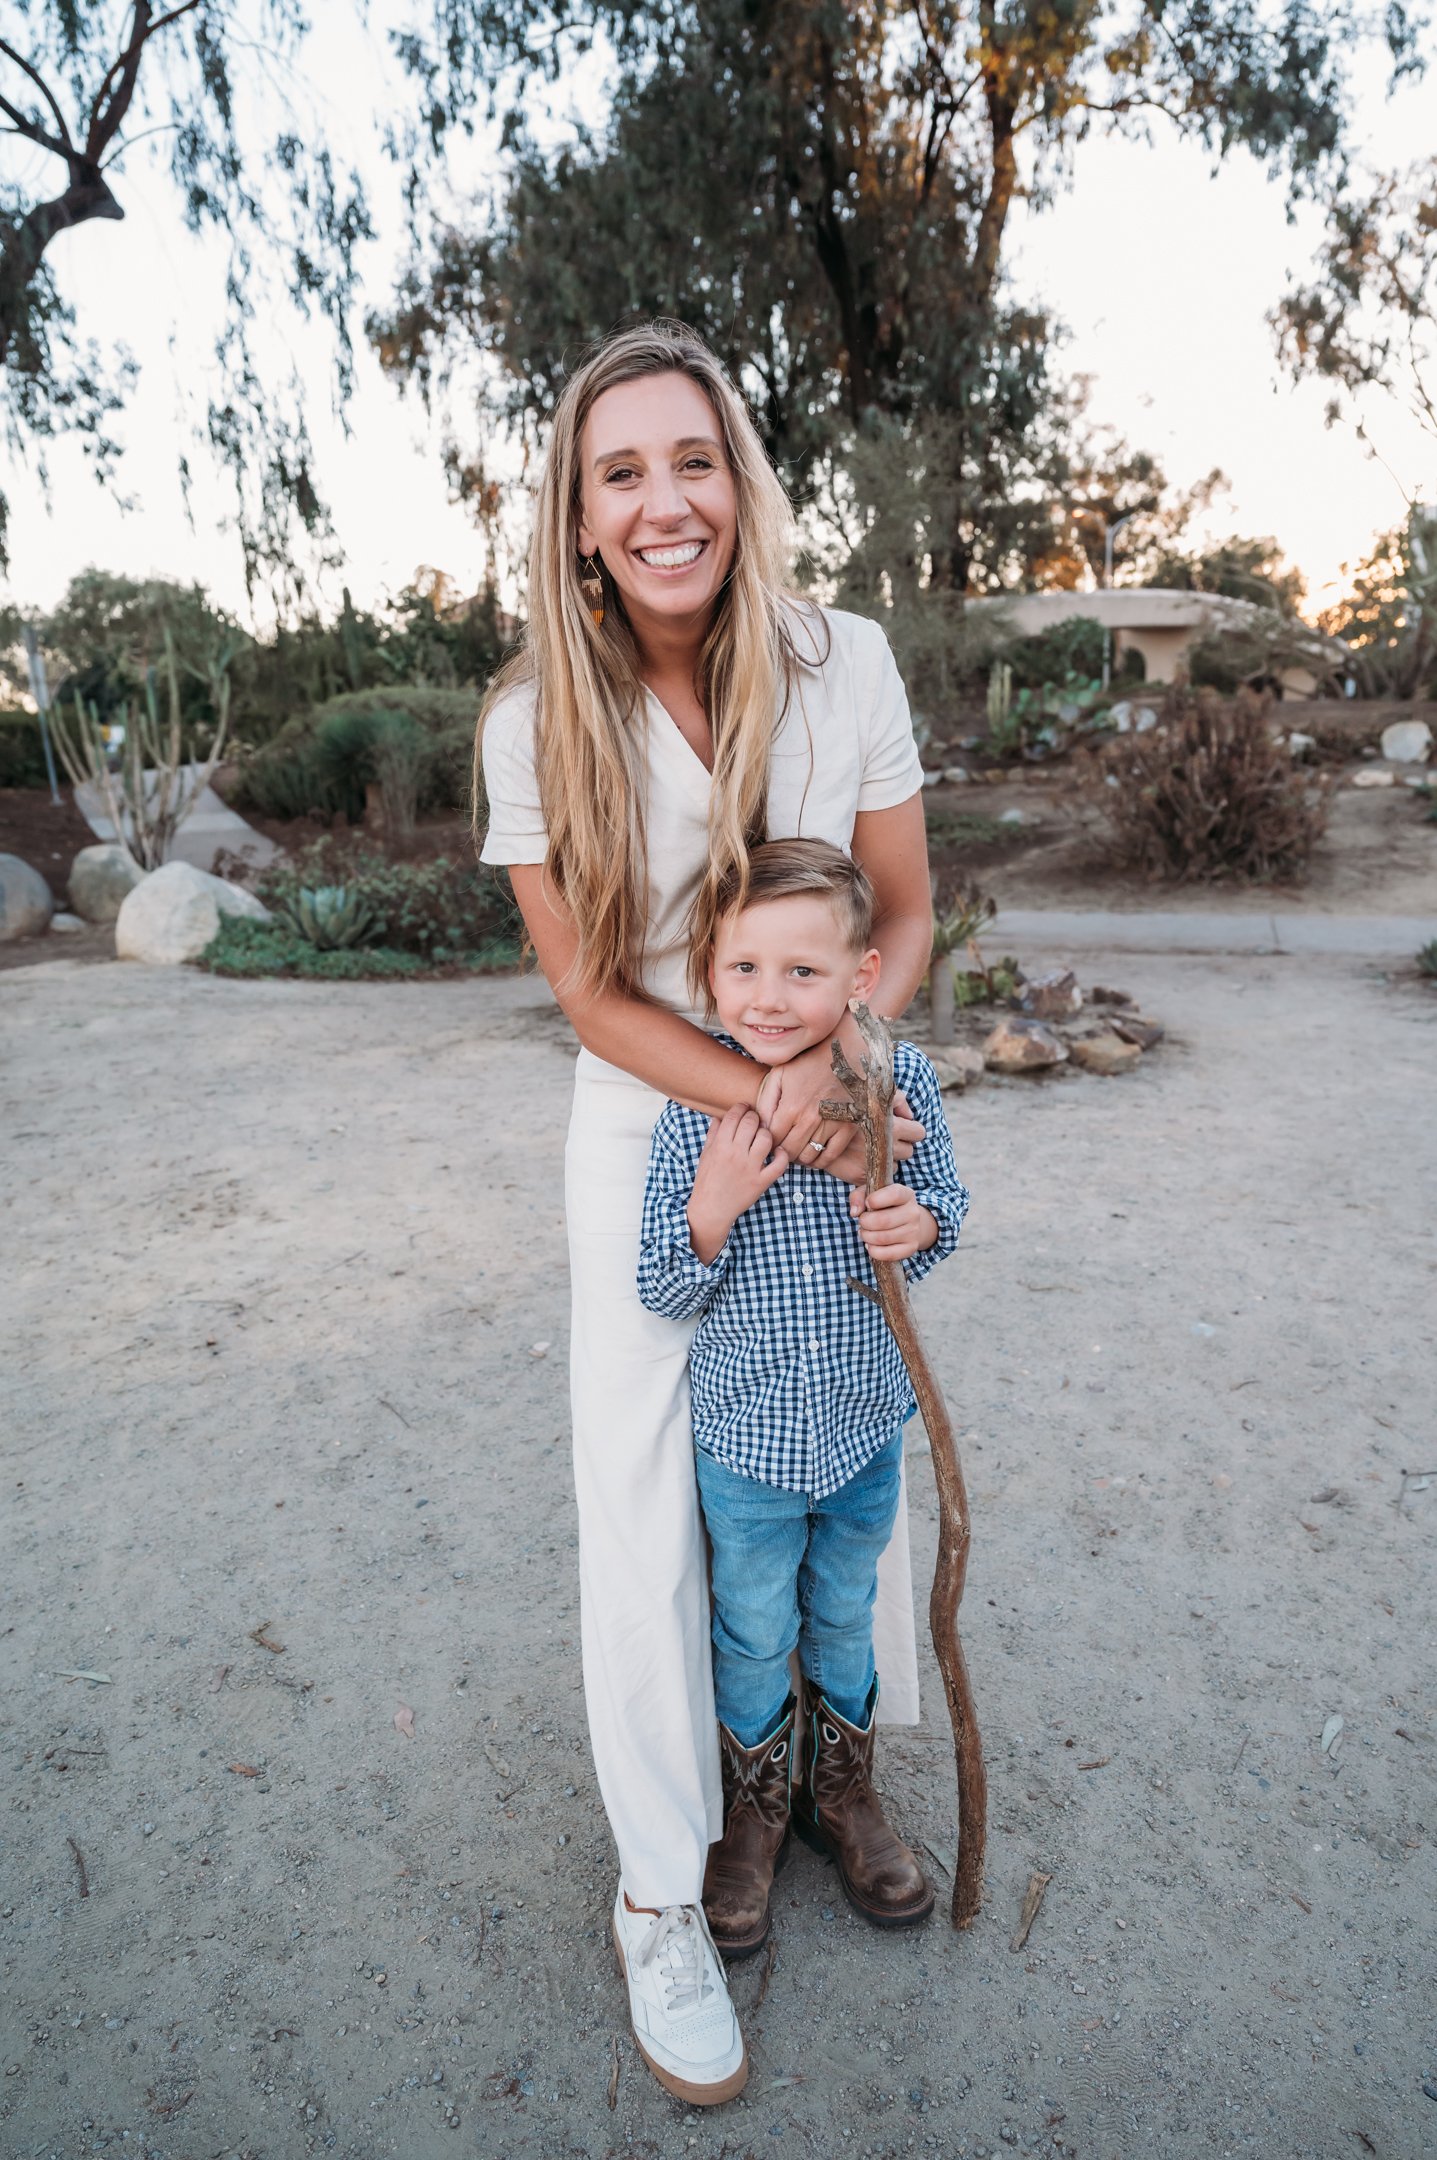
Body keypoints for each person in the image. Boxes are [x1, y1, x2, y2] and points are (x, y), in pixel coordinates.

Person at [477, 319, 935, 2107]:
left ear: (738, 481)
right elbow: (586, 992)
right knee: (642, 1501)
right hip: (650, 1120)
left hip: (839, 1097)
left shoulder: (846, 661)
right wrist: (758, 1098)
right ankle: (661, 1893)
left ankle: (826, 1777)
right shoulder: (531, 719)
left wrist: (845, 1070)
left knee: (839, 1427)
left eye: (693, 461)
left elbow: (905, 909)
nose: (663, 503)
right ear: (578, 518)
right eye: (621, 474)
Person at [636, 839, 969, 1974]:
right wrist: (714, 1205)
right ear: (708, 972)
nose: (768, 998)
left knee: (844, 1611)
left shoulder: (899, 1079)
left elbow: (946, 1204)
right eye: (743, 968)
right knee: (751, 1624)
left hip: (864, 1420)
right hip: (748, 1439)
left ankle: (844, 1794)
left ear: (861, 976)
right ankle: (755, 1809)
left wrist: (921, 1223)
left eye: (802, 972)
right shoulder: (697, 1104)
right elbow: (661, 1285)